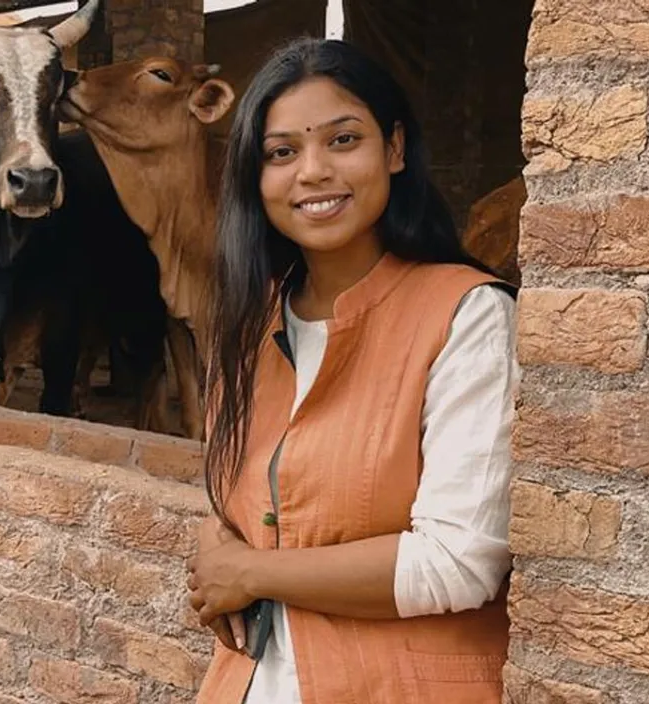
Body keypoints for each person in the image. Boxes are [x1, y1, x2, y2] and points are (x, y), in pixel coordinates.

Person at [185, 37, 519, 704]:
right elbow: (244, 503)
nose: (312, 171)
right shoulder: (249, 325)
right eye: (282, 152)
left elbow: (458, 562)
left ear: (393, 150)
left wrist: (250, 571)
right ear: (256, 175)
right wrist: (217, 542)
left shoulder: (465, 316)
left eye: (343, 141)